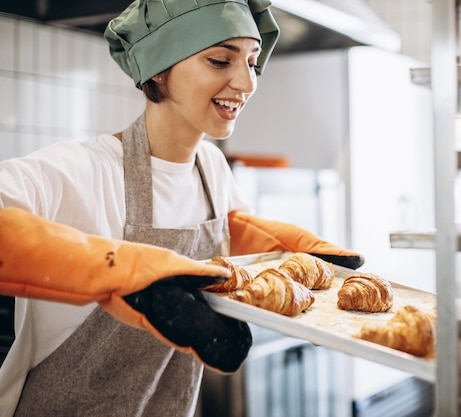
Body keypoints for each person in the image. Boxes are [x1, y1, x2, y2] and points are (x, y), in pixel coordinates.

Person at [0, 1, 364, 416]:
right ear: (159, 66)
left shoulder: (211, 167)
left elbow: (228, 233)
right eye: (220, 60)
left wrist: (279, 247)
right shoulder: (85, 169)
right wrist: (119, 270)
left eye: (252, 60)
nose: (247, 82)